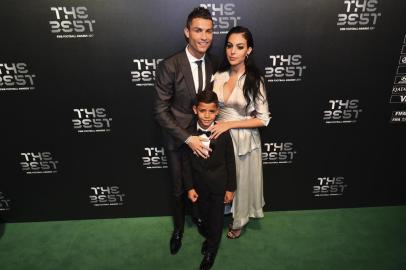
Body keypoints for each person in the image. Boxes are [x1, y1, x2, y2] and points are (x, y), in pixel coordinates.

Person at [153, 7, 219, 254]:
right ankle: (178, 228)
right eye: (198, 30)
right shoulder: (170, 65)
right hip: (178, 140)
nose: (204, 36)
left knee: (202, 183)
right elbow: (160, 111)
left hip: (204, 139)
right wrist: (187, 138)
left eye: (209, 31)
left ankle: (199, 218)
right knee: (178, 188)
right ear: (186, 32)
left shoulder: (213, 64)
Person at [209, 26, 271, 239]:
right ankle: (220, 213)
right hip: (219, 138)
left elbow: (263, 119)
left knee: (241, 182)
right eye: (229, 46)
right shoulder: (217, 76)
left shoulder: (255, 80)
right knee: (222, 180)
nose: (232, 51)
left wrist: (229, 125)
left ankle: (239, 220)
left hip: (243, 140)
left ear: (249, 51)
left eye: (239, 47)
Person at [183, 90, 236, 270]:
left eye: (211, 111)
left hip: (219, 186)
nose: (207, 115)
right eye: (203, 110)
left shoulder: (224, 133)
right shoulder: (189, 135)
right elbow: (185, 163)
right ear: (195, 110)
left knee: (216, 220)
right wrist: (189, 187)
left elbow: (230, 161)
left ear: (217, 112)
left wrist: (231, 188)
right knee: (203, 217)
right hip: (198, 185)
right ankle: (210, 239)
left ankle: (211, 252)